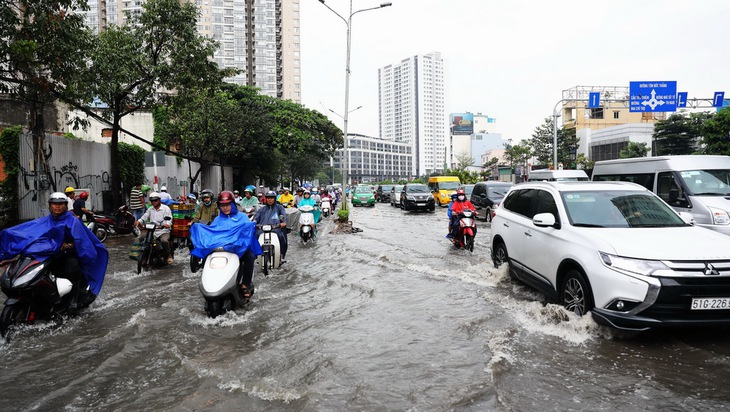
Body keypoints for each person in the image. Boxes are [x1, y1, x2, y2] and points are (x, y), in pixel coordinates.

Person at [0, 192, 108, 308]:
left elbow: (81, 242)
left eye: (60, 204)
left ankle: (73, 298)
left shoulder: (73, 221)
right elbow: (29, 234)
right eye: (54, 204)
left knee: (72, 267)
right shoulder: (44, 221)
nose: (57, 206)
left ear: (65, 205)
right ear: (50, 205)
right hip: (47, 255)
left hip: (66, 255)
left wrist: (67, 245)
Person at [191, 191, 262, 298]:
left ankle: (246, 283)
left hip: (238, 249)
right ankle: (209, 282)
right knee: (206, 258)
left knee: (249, 257)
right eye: (222, 205)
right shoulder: (217, 220)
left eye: (227, 204)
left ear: (233, 204)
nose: (225, 208)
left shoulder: (242, 217)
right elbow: (212, 234)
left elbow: (247, 233)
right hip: (221, 250)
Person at [135, 191, 174, 264]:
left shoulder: (166, 208)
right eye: (152, 200)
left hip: (163, 231)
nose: (154, 202)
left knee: (164, 241)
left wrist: (167, 224)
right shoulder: (150, 209)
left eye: (155, 200)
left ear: (159, 200)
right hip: (152, 231)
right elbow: (145, 217)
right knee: (140, 238)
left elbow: (169, 219)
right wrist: (139, 221)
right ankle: (143, 255)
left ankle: (169, 255)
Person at [253, 190, 288, 262]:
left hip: (275, 229)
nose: (270, 200)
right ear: (266, 199)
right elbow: (256, 218)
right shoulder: (261, 209)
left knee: (282, 237)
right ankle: (254, 255)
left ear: (275, 199)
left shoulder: (279, 208)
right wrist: (254, 223)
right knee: (254, 236)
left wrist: (282, 222)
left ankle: (281, 255)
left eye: (272, 198)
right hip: (262, 229)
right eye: (268, 198)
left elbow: (283, 216)